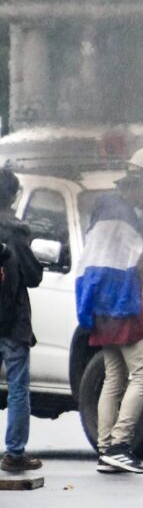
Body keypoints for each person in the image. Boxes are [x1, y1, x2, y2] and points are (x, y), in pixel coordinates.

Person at [76, 147, 143, 474]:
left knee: (114, 376)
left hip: (103, 305)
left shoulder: (106, 206)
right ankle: (118, 444)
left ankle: (106, 448)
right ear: (141, 182)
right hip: (121, 304)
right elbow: (133, 261)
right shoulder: (121, 213)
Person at [0, 168, 44, 473]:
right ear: (13, 195)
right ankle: (14, 453)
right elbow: (33, 275)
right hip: (13, 322)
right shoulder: (16, 231)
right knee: (17, 387)